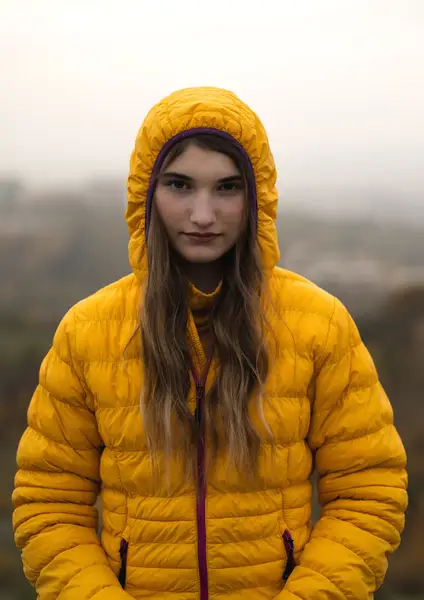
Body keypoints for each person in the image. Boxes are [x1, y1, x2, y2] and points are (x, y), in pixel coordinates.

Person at [12, 87, 407, 600]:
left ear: (257, 198)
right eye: (180, 185)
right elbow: (49, 505)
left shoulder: (319, 324)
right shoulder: (88, 332)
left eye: (227, 187)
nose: (203, 214)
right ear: (146, 193)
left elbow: (368, 491)